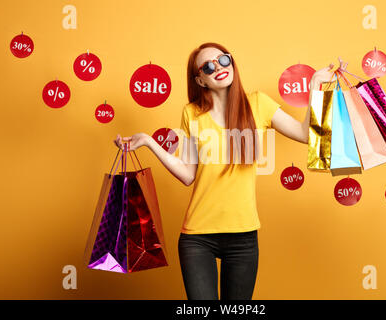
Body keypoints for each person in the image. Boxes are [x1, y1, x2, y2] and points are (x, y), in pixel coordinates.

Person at [114, 42, 349, 300]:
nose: (219, 68)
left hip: (243, 237)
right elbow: (187, 175)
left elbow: (306, 135)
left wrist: (316, 85)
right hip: (197, 237)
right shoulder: (191, 113)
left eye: (223, 60)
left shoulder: (258, 104)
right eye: (208, 67)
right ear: (200, 80)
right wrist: (149, 142)